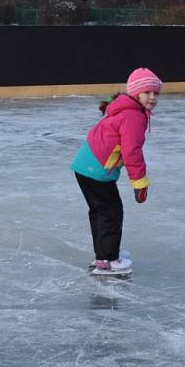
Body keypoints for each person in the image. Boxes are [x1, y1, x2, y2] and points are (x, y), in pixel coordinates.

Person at [70, 67, 162, 275]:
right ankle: (109, 259)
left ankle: (103, 256)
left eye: (156, 93)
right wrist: (140, 184)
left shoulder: (126, 108)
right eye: (147, 92)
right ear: (135, 93)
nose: (152, 97)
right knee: (111, 212)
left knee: (100, 212)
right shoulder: (133, 116)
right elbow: (132, 152)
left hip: (85, 166)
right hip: (96, 170)